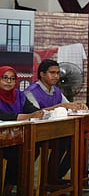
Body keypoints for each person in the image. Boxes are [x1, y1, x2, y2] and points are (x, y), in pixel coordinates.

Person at [24, 59, 88, 183]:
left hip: (54, 131)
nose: (56, 76)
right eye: (52, 72)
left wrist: (79, 106)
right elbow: (36, 113)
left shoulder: (56, 91)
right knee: (63, 143)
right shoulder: (31, 92)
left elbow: (67, 106)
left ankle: (55, 177)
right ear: (42, 74)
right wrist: (61, 107)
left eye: (58, 73)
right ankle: (49, 179)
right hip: (36, 133)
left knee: (78, 143)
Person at [0, 66, 45, 196]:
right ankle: (7, 187)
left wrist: (38, 113)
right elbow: (3, 115)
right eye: (5, 78)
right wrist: (28, 116)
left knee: (31, 148)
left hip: (16, 138)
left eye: (12, 79)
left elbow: (31, 110)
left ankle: (11, 186)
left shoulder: (19, 95)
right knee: (18, 152)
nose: (9, 82)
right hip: (2, 139)